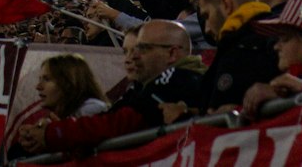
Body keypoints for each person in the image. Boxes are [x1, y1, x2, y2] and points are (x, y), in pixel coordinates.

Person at [28, 20, 198, 154]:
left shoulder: (180, 78)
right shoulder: (139, 89)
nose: (132, 58)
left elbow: (117, 124)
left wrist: (57, 134)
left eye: (142, 49)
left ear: (172, 53)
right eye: (127, 51)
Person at [184, 0, 280, 115]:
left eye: (207, 15)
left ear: (226, 4)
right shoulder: (232, 46)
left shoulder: (275, 41)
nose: (207, 29)